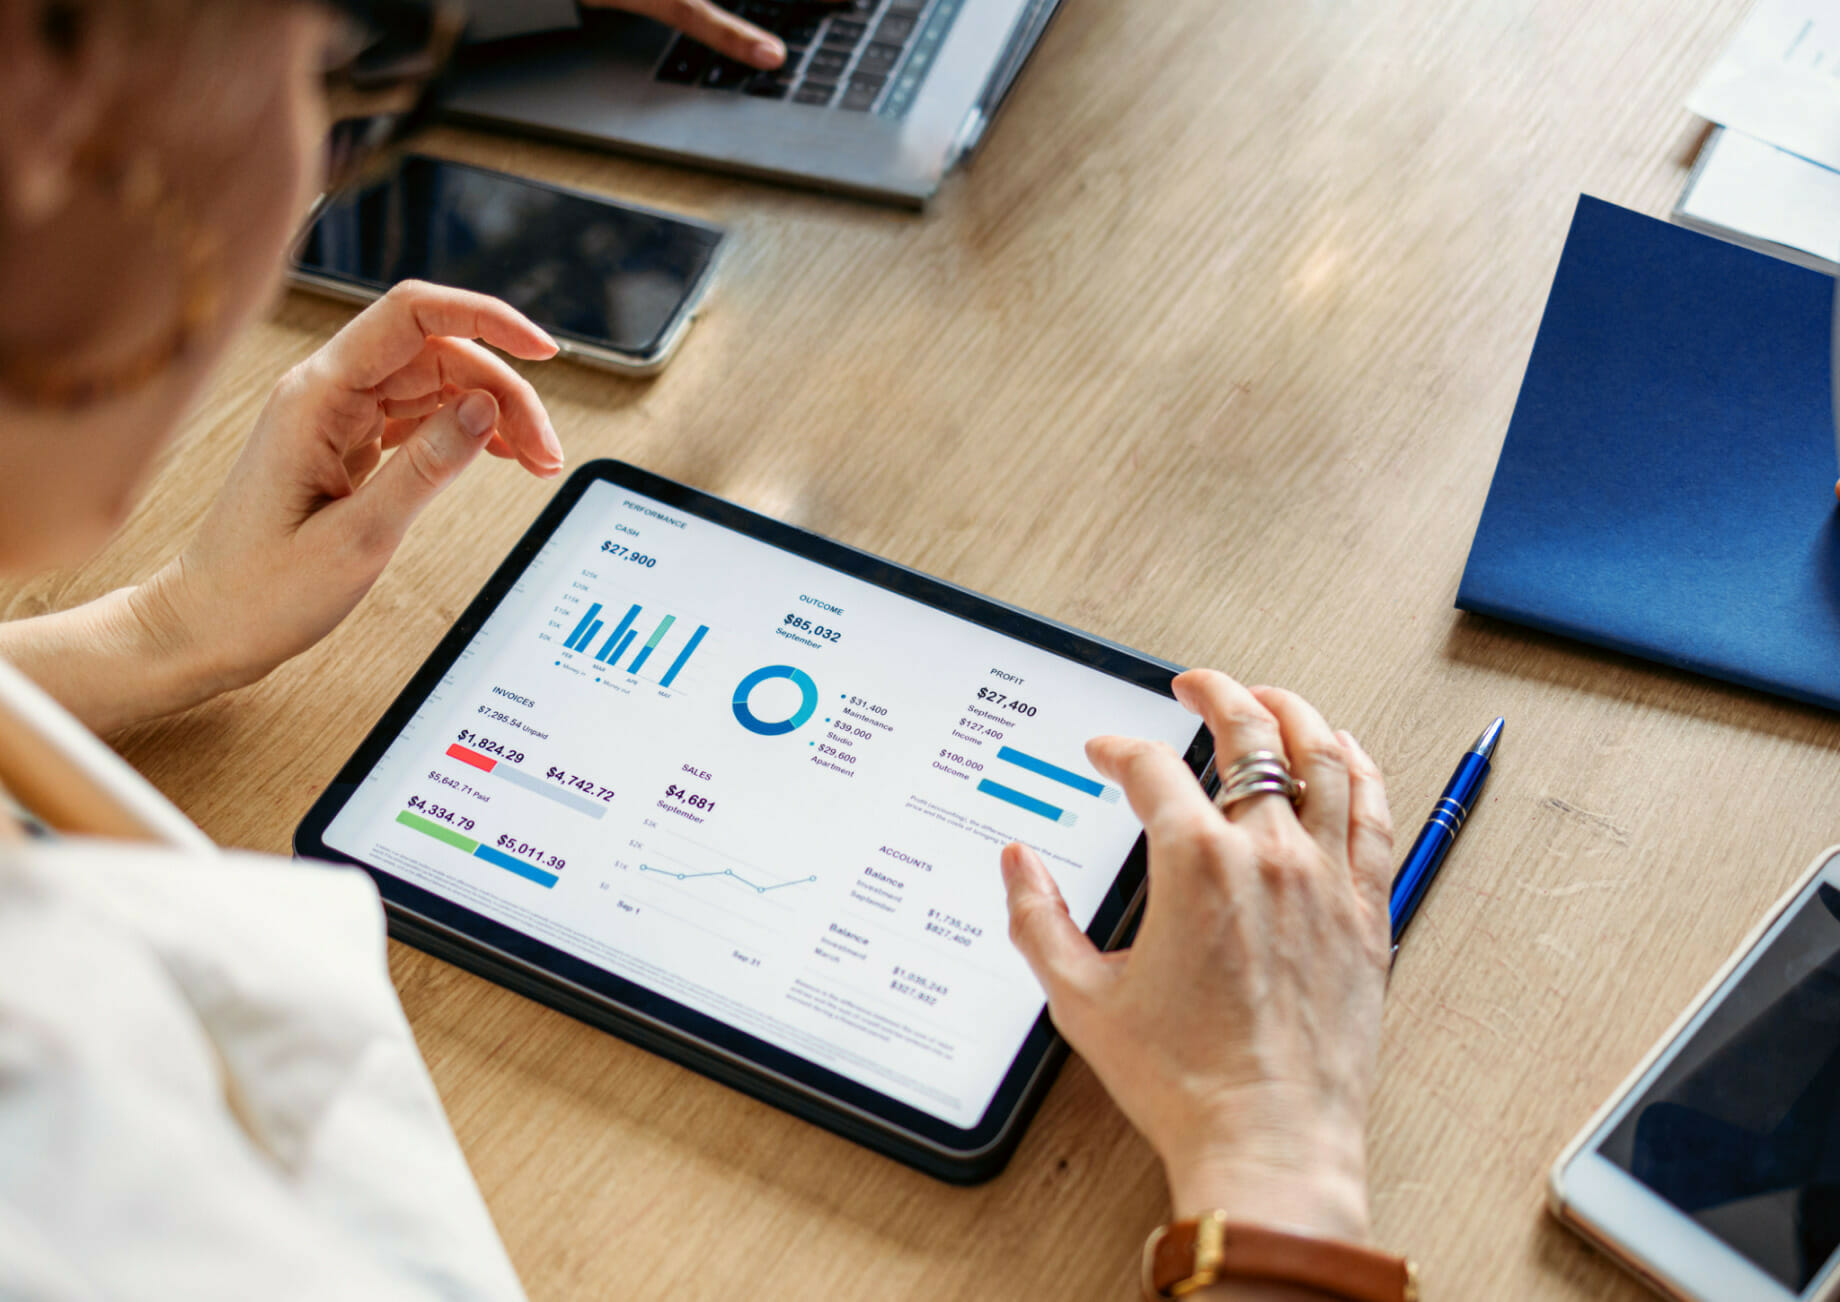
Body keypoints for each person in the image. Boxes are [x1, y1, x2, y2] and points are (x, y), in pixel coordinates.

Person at [0, 2, 1406, 1298]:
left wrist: (160, 631)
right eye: (315, 58)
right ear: (78, 180)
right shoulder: (102, 1121)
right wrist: (1273, 1159)